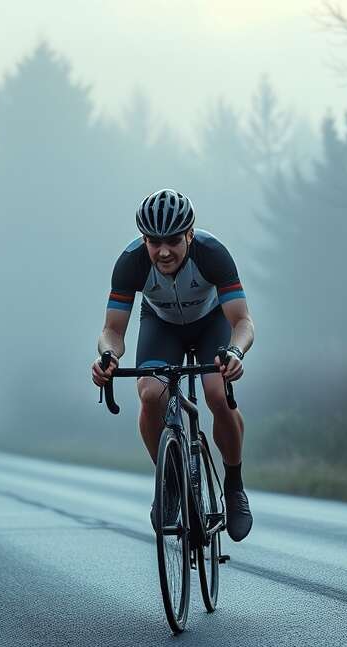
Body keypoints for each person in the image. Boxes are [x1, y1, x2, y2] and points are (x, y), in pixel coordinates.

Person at [90, 189, 256, 541]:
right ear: (144, 240)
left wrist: (236, 353)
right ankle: (170, 482)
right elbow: (112, 331)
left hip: (212, 323)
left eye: (173, 241)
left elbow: (242, 322)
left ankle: (234, 484)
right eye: (154, 242)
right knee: (150, 393)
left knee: (215, 392)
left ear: (190, 235)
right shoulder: (131, 261)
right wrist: (108, 357)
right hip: (161, 325)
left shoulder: (212, 254)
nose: (163, 251)